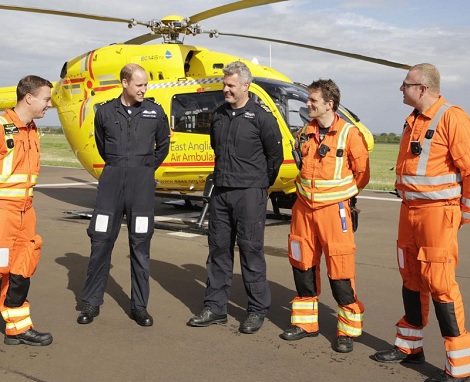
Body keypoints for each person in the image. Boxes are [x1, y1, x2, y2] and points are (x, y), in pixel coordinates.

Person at [373, 63, 470, 382]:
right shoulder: (412, 120)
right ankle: (409, 346)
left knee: (441, 285)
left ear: (423, 88)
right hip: (410, 212)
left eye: (405, 84)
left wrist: (463, 214)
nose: (401, 89)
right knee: (411, 277)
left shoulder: (452, 118)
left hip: (437, 214)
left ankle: (459, 367)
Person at [187, 61, 283, 334]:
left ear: (245, 86)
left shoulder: (262, 118)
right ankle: (215, 307)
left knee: (251, 252)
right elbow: (216, 147)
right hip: (221, 192)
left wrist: (259, 186)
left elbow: (273, 158)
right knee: (218, 251)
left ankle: (256, 310)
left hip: (249, 193)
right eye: (224, 85)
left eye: (230, 85)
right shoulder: (218, 115)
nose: (225, 90)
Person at [76, 63, 170, 327]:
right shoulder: (105, 112)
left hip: (141, 188)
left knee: (140, 246)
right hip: (111, 185)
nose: (144, 89)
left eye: (145, 85)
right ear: (125, 83)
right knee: (100, 242)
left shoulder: (155, 112)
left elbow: (163, 145)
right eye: (139, 84)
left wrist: (145, 167)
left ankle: (139, 307)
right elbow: (103, 146)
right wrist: (121, 166)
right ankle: (91, 303)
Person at [280, 79, 370, 353]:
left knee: (340, 269)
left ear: (329, 104)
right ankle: (306, 324)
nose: (307, 104)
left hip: (334, 212)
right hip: (303, 210)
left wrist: (341, 196)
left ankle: (347, 331)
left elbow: (362, 174)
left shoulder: (349, 134)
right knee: (302, 264)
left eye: (313, 101)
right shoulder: (305, 131)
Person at [0, 75, 53, 346]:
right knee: (1, 269)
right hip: (2, 215)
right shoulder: (1, 127)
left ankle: (17, 328)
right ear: (29, 98)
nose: (49, 104)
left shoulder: (32, 130)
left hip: (25, 213)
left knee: (21, 270)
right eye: (45, 98)